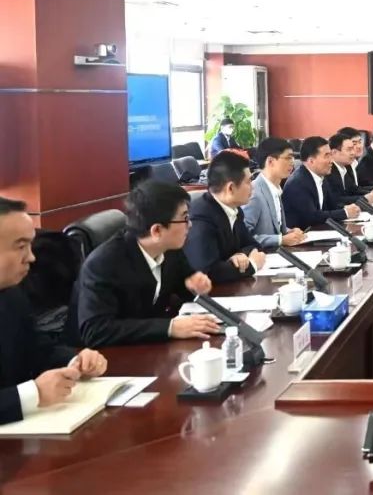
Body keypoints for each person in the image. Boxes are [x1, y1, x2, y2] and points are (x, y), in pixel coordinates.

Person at [0, 197, 108, 425]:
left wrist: (75, 361)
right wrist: (33, 394)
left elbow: (36, 349)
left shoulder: (11, 295)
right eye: (20, 246)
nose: (32, 257)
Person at [71, 181, 219, 347]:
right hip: (96, 356)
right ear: (157, 231)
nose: (190, 224)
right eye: (184, 218)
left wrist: (196, 285)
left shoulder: (169, 248)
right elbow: (95, 330)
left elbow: (184, 282)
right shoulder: (103, 264)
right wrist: (170, 328)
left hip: (146, 346)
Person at [184, 152, 267, 283]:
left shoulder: (234, 209)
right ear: (231, 188)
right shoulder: (200, 217)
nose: (252, 187)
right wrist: (252, 265)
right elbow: (207, 272)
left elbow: (253, 245)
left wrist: (240, 255)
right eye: (248, 181)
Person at [282, 136, 363, 229]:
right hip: (303, 234)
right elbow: (311, 217)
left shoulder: (321, 177)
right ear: (311, 161)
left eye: (330, 155)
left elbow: (332, 205)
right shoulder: (298, 183)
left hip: (319, 230)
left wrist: (349, 208)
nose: (331, 160)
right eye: (326, 156)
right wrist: (345, 213)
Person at [243, 137, 306, 249]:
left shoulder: (274, 188)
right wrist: (280, 239)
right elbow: (244, 238)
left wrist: (289, 231)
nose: (292, 162)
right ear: (270, 161)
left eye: (292, 158)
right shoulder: (254, 194)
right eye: (288, 158)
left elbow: (274, 228)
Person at [327, 133, 362, 201]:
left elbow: (354, 190)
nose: (353, 153)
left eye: (353, 149)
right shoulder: (328, 172)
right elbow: (337, 200)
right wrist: (365, 198)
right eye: (349, 149)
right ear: (334, 152)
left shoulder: (344, 168)